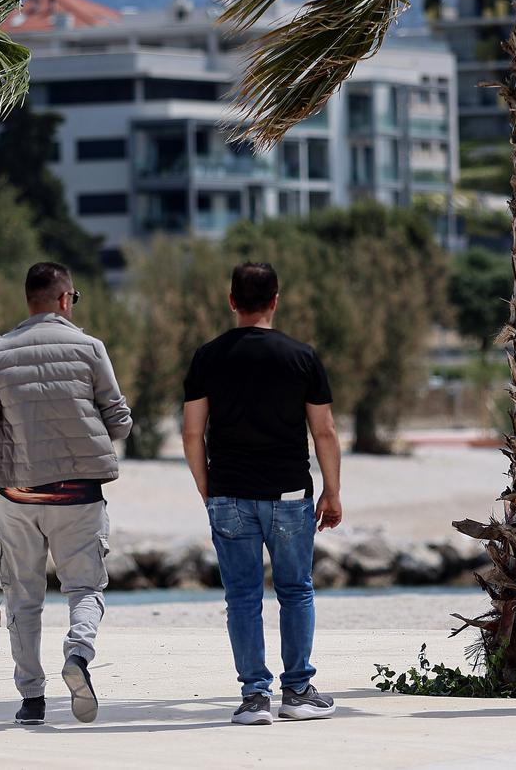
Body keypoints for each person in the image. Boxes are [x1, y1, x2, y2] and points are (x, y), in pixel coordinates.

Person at [0, 261, 132, 726]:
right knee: (85, 587)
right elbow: (118, 421)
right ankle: (77, 654)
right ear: (64, 299)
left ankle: (31, 699)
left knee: (22, 596)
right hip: (78, 492)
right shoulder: (90, 348)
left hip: (16, 494)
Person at [181, 262, 342, 726]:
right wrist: (332, 492)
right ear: (275, 300)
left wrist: (208, 488)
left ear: (232, 300)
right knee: (296, 590)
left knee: (243, 597)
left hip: (229, 492)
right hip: (289, 493)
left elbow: (192, 434)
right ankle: (297, 691)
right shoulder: (301, 356)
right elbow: (324, 431)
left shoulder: (207, 357)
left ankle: (255, 697)